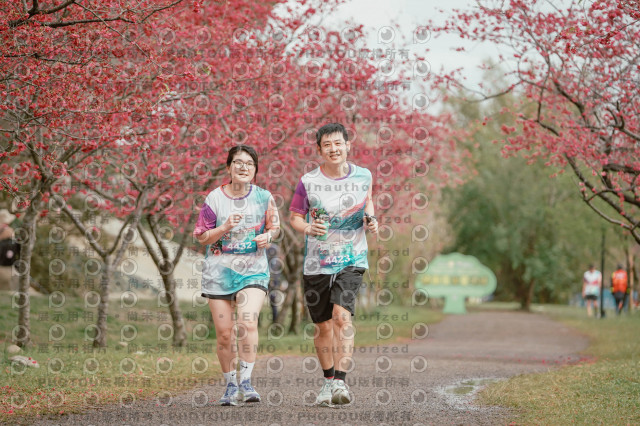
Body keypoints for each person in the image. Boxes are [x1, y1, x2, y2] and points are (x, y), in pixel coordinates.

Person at [289, 123, 378, 406]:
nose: (333, 149)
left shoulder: (364, 175)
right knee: (323, 327)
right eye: (327, 145)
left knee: (342, 317)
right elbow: (295, 217)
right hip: (317, 263)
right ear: (319, 149)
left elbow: (368, 201)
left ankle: (341, 381)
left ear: (348, 145)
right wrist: (307, 228)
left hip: (352, 258)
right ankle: (328, 381)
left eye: (338, 143)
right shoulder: (308, 181)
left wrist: (371, 219)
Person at [193, 145, 280, 406]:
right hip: (218, 274)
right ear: (228, 167)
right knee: (224, 333)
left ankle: (247, 382)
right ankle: (231, 385)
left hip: (253, 270)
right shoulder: (214, 199)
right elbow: (201, 237)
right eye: (238, 163)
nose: (244, 167)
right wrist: (225, 227)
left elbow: (275, 226)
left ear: (255, 169)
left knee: (247, 322)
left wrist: (268, 236)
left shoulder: (264, 197)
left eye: (249, 163)